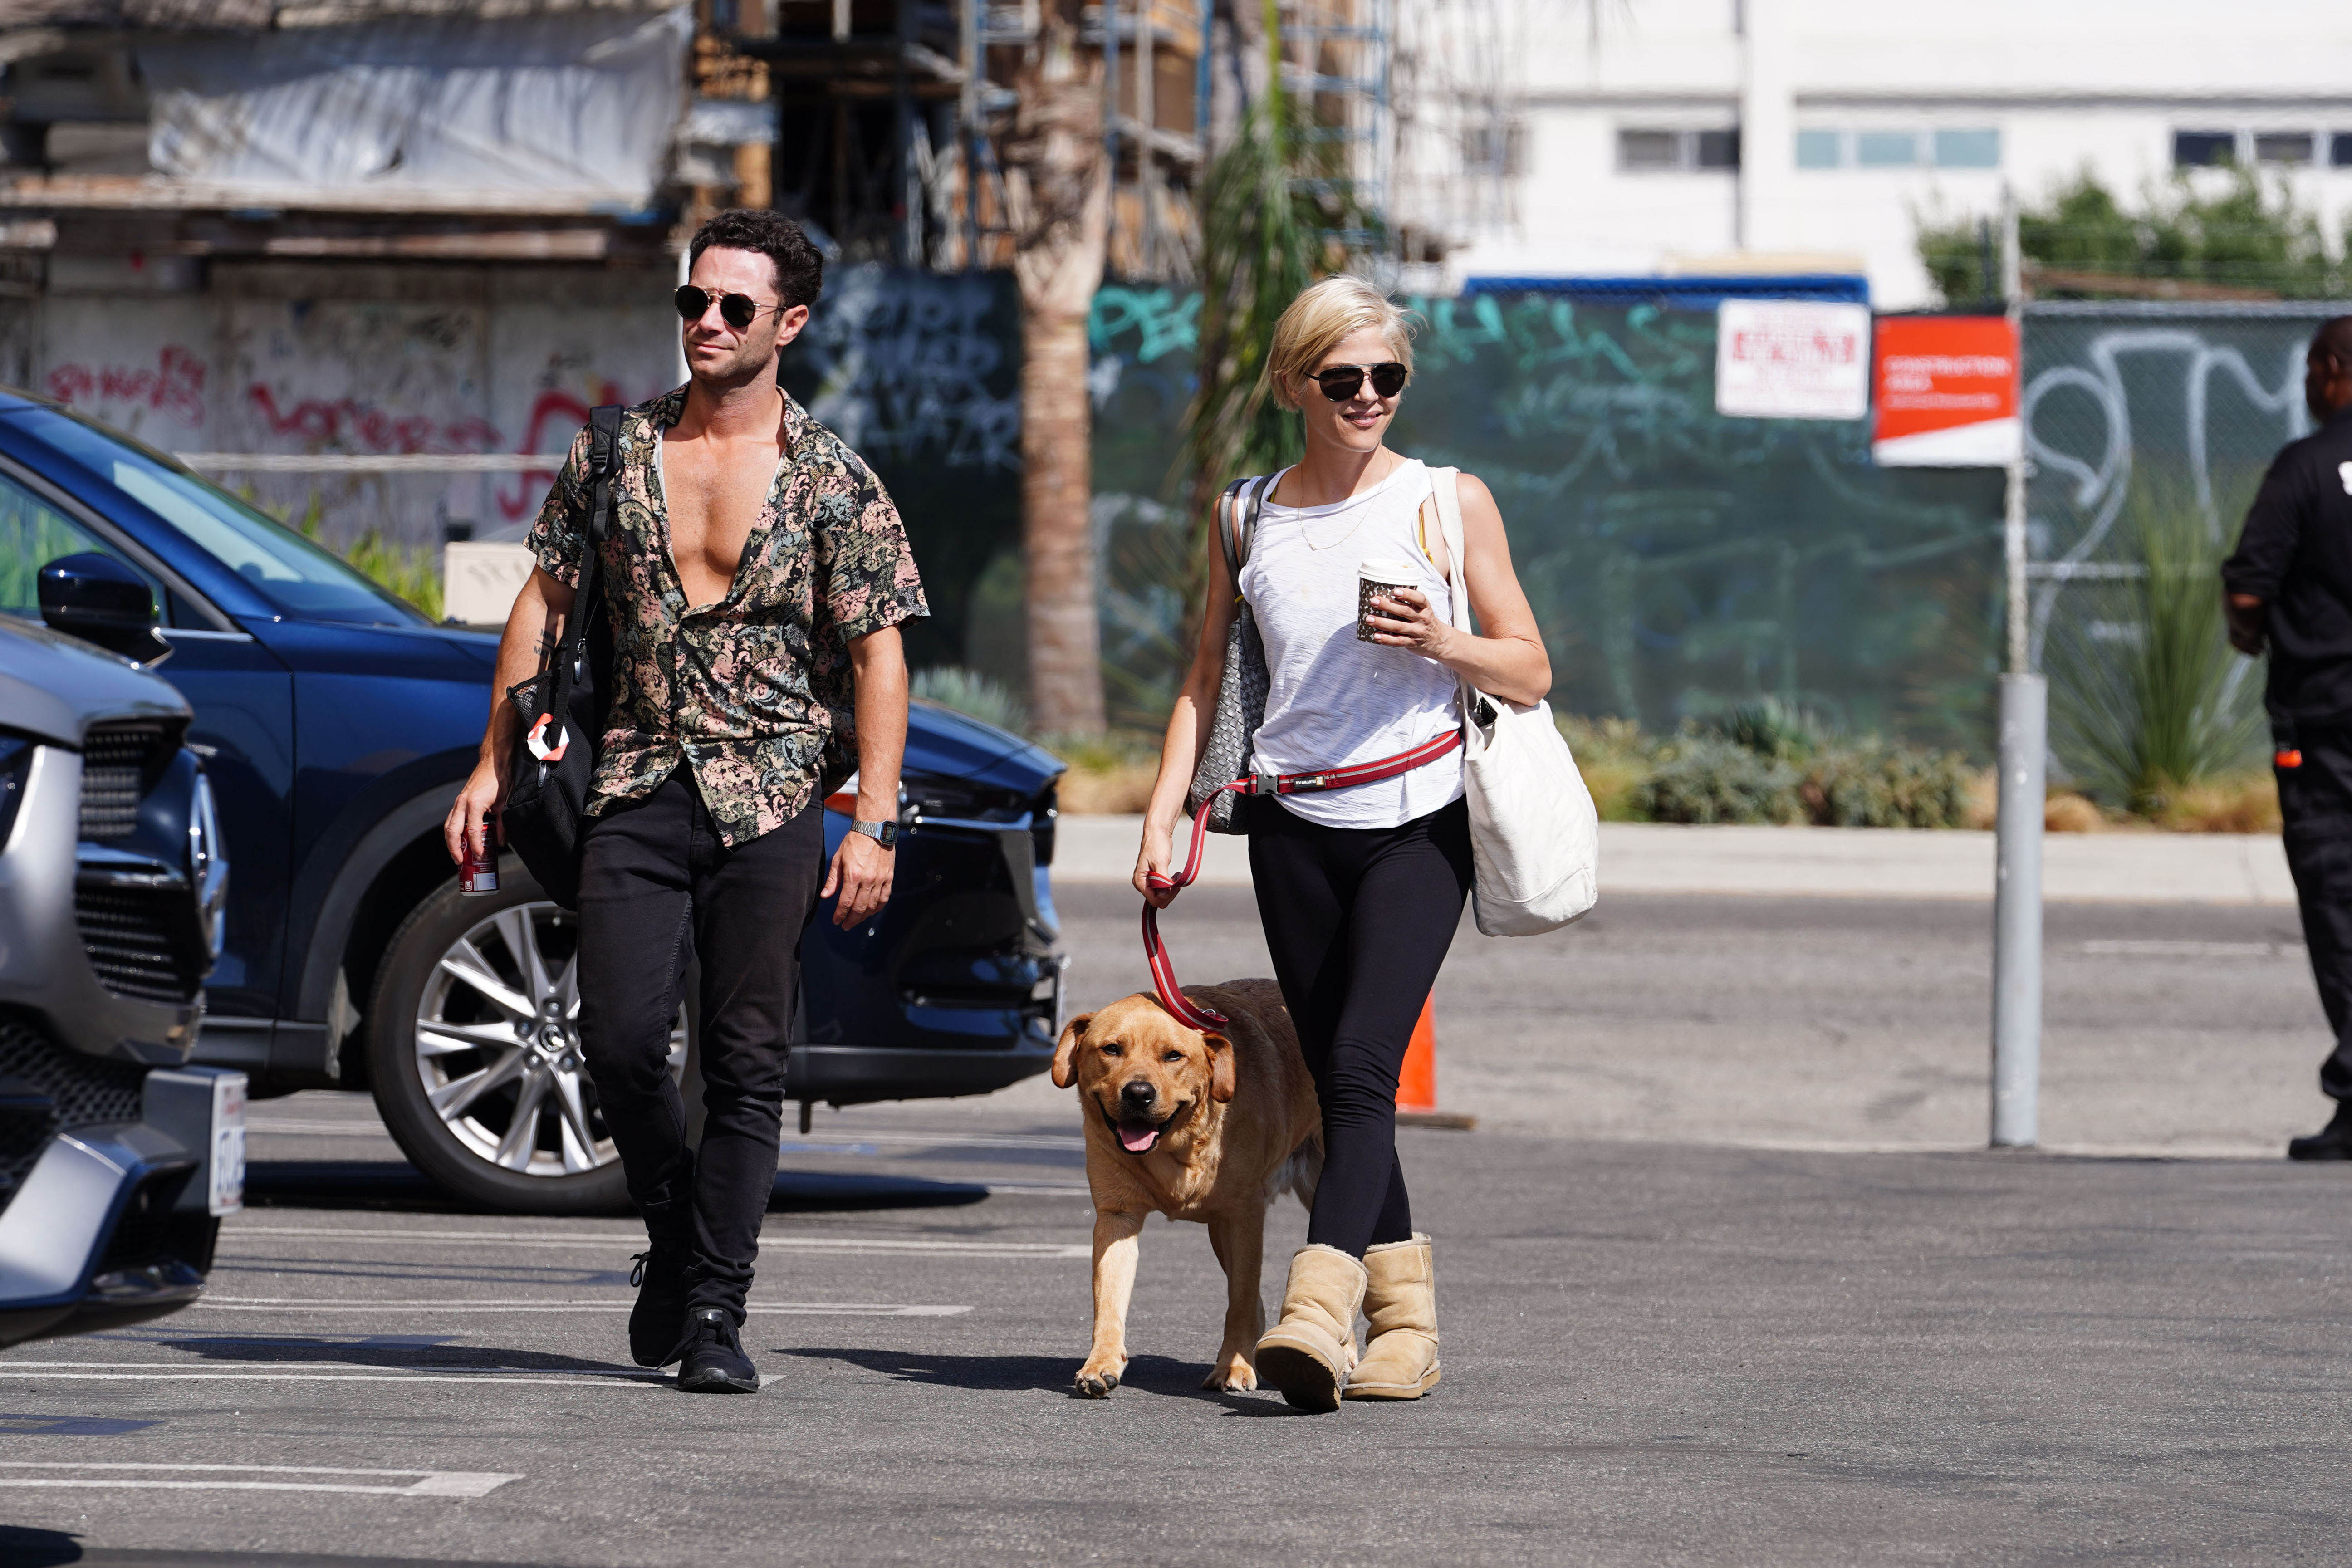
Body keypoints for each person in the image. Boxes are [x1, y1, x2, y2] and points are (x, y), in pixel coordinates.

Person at [445, 209, 926, 1390]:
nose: (705, 324)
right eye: (692, 303)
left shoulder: (833, 482)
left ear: (790, 325)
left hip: (773, 794)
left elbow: (879, 655)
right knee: (613, 1039)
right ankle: (673, 1236)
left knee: (746, 1061)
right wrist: (492, 761)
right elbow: (545, 601)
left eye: (734, 309)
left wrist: (872, 821)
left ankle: (715, 1308)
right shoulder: (614, 454)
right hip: (637, 774)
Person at [1132, 276, 1550, 1410]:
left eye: (1389, 378)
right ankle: (1408, 1330)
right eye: (1345, 379)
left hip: (1417, 823)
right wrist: (1169, 813)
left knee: (1363, 1067)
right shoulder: (1248, 515)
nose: (1370, 397)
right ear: (1295, 385)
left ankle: (1315, 1315)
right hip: (1292, 825)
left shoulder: (1447, 501)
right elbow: (1206, 677)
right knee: (1345, 1086)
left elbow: (1532, 665)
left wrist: (1448, 641)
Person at [2221, 314, 2352, 1160]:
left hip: (2326, 721)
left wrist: (2255, 632)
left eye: (2311, 369)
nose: (2306, 386)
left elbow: (2247, 590)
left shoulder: (2303, 469)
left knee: (2338, 901)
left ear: (2336, 370)